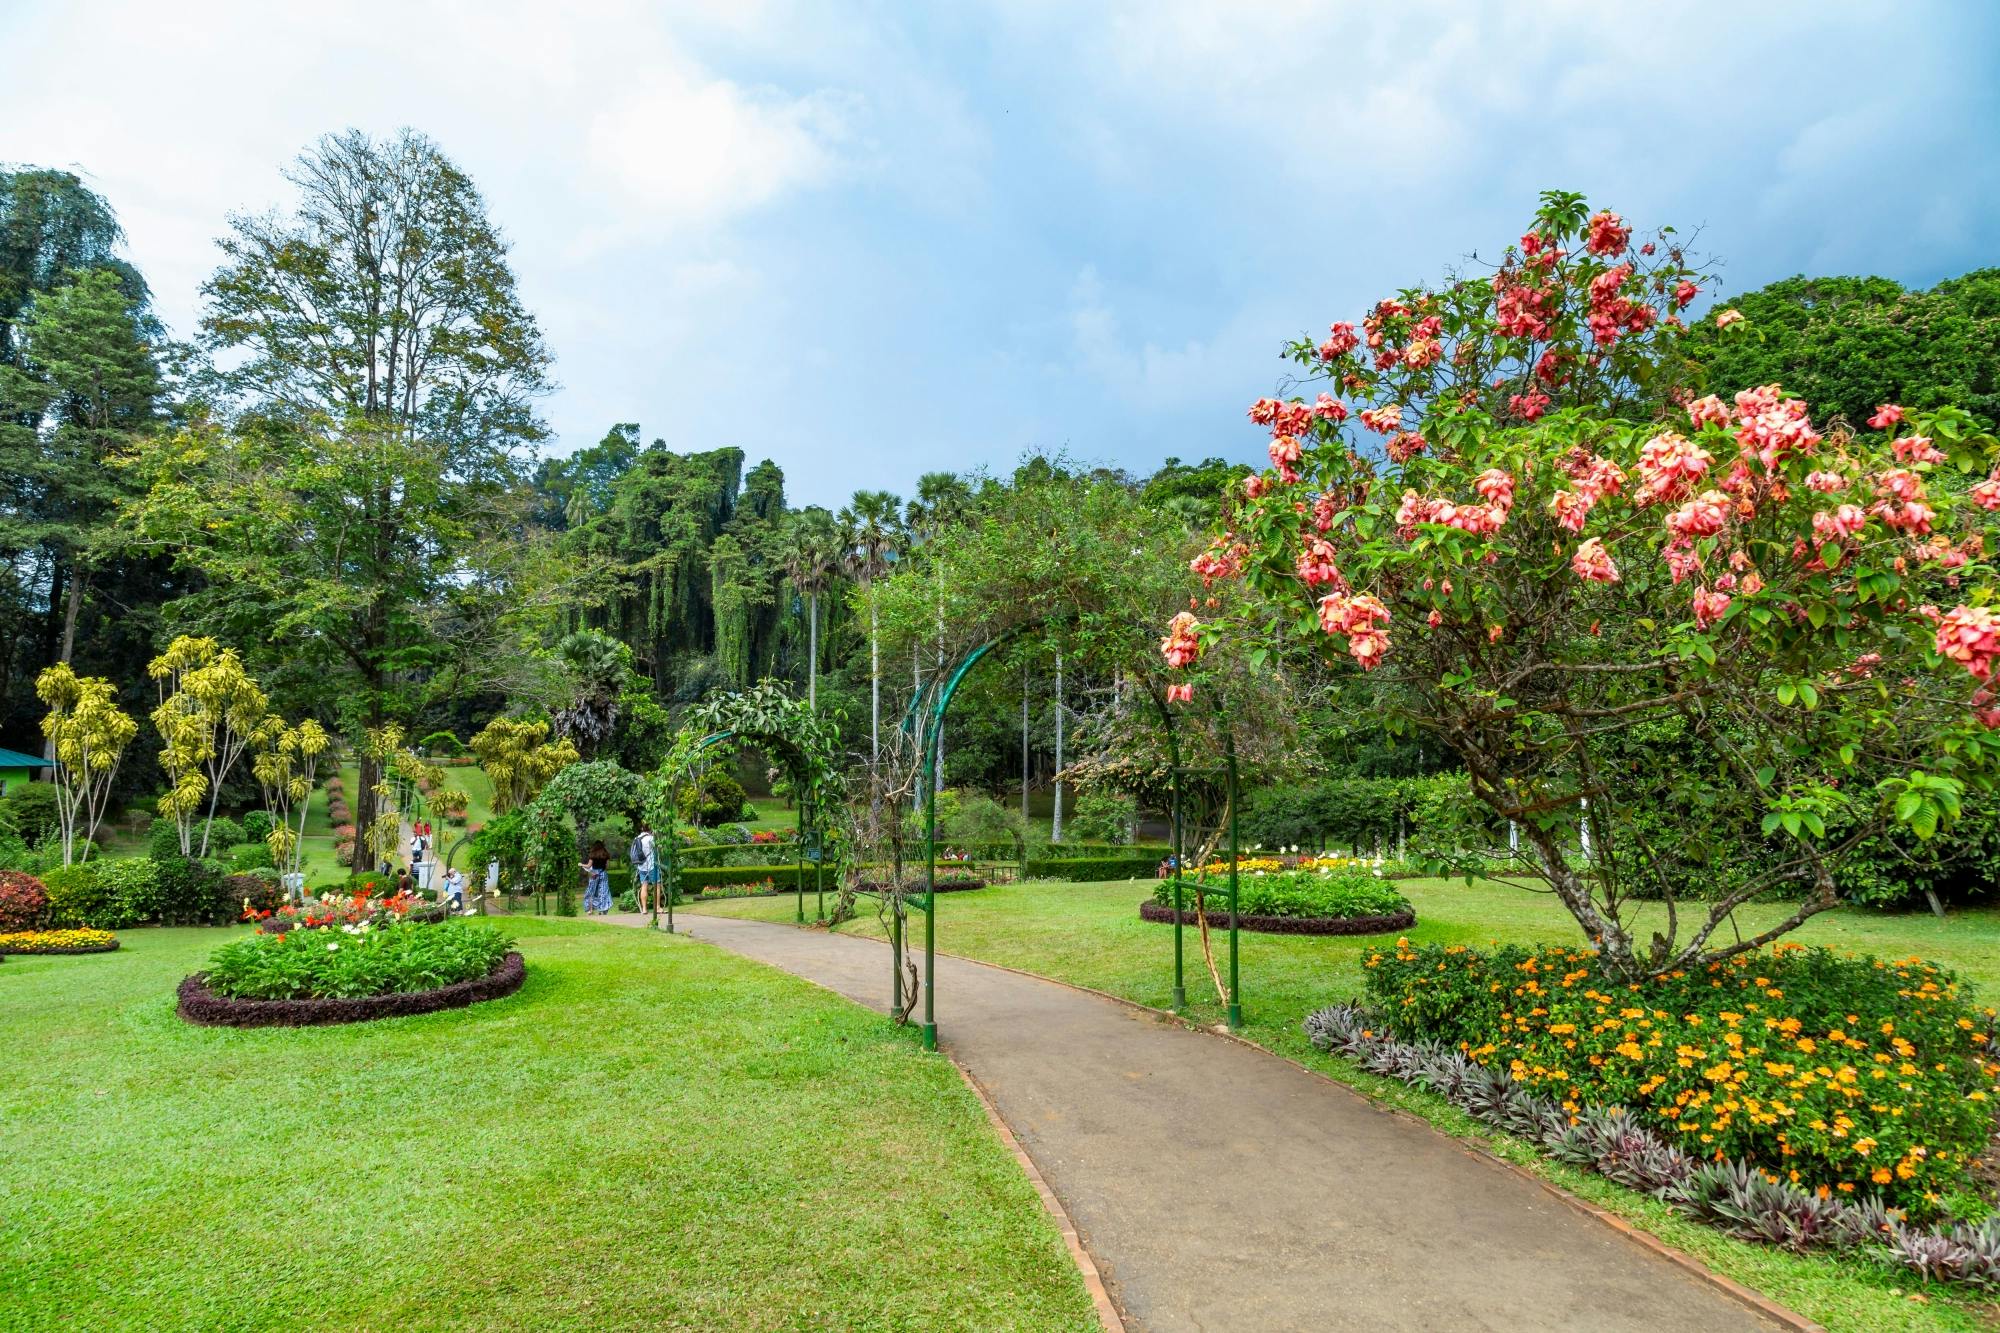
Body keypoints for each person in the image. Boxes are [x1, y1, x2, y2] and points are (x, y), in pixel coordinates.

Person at [632, 822, 660, 913]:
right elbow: (659, 848)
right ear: (650, 829)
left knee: (644, 886)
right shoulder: (651, 838)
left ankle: (644, 909)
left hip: (641, 866)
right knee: (657, 885)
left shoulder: (637, 838)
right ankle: (658, 907)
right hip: (651, 865)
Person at [581, 841, 613, 915]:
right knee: (603, 891)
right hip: (603, 874)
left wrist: (582, 864)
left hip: (594, 874)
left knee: (591, 891)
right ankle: (602, 909)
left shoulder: (592, 855)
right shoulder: (606, 854)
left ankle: (590, 910)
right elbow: (607, 867)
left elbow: (588, 866)